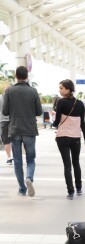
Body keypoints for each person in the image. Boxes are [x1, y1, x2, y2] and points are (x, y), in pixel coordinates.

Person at [2, 66, 42, 197]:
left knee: (18, 161)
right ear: (26, 76)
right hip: (29, 129)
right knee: (30, 158)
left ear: (16, 76)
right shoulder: (33, 91)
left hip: (14, 129)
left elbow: (5, 111)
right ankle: (29, 178)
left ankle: (22, 189)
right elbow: (39, 112)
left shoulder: (9, 91)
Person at [52, 79, 85, 200]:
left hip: (63, 137)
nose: (60, 90)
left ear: (68, 89)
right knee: (76, 163)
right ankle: (79, 188)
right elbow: (82, 124)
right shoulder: (79, 104)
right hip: (76, 138)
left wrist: (53, 118)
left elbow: (57, 122)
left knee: (67, 165)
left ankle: (70, 191)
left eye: (61, 88)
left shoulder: (61, 102)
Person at [0, 83, 13, 164]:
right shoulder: (14, 98)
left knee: (6, 140)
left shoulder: (0, 97)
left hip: (3, 121)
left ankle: (9, 158)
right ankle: (14, 157)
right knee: (15, 140)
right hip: (14, 121)